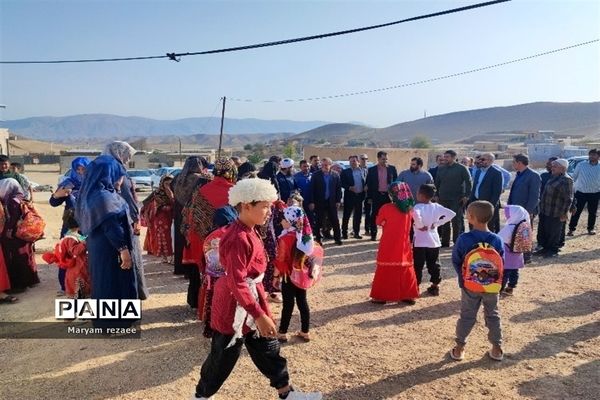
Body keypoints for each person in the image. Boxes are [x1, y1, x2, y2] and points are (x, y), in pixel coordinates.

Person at [192, 178, 322, 400]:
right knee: (222, 356)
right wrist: (258, 314)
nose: (269, 212)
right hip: (235, 306)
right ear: (246, 206)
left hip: (249, 300)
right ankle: (201, 396)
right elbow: (237, 281)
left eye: (270, 206)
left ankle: (286, 392)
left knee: (268, 348)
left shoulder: (251, 231)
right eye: (264, 206)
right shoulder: (237, 238)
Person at [75, 155, 137, 329]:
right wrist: (123, 250)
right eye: (118, 174)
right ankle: (112, 322)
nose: (121, 179)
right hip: (110, 247)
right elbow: (111, 226)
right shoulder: (103, 197)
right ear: (108, 174)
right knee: (111, 282)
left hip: (100, 245)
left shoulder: (97, 193)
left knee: (107, 280)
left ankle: (117, 318)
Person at [450, 201, 504, 362]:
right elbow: (503, 264)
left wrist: (463, 280)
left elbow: (456, 260)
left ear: (471, 218)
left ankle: (459, 348)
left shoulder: (464, 238)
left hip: (470, 285)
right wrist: (500, 285)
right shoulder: (497, 239)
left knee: (467, 315)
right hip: (492, 286)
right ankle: (497, 348)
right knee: (493, 316)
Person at [183, 158, 237, 310]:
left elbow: (191, 218)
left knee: (208, 274)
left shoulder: (200, 192)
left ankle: (205, 306)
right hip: (230, 241)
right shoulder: (236, 191)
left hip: (203, 241)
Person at [103, 141, 148, 300]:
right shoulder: (115, 171)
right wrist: (135, 218)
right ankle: (132, 295)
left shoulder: (111, 169)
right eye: (127, 155)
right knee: (129, 257)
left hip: (123, 220)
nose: (128, 159)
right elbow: (127, 200)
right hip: (122, 222)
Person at [369, 181, 419, 304]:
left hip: (388, 242)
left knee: (385, 266)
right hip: (404, 243)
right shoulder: (409, 210)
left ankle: (382, 296)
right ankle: (408, 295)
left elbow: (379, 222)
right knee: (405, 266)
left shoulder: (386, 208)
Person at [273, 206, 316, 342]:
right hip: (301, 275)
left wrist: (275, 276)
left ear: (291, 221)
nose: (282, 222)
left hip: (288, 275)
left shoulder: (285, 238)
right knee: (302, 302)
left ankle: (282, 332)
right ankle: (305, 331)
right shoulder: (306, 237)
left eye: (284, 219)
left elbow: (280, 260)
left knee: (288, 304)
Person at [49, 156, 90, 294]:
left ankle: (87, 285)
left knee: (86, 253)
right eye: (77, 169)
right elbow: (53, 203)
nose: (80, 171)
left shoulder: (93, 182)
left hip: (89, 222)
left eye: (83, 168)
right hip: (71, 224)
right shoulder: (68, 183)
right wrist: (57, 195)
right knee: (67, 252)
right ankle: (65, 286)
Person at [413, 184, 456, 296]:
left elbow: (416, 216)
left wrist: (420, 225)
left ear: (421, 195)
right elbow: (451, 214)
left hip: (420, 241)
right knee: (434, 264)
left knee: (418, 264)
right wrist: (437, 223)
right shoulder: (436, 206)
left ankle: (415, 285)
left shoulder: (418, 207)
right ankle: (435, 285)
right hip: (433, 241)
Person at [172, 156, 212, 275]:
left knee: (180, 239)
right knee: (192, 240)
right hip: (194, 212)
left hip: (179, 211)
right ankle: (191, 270)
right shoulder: (201, 179)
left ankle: (179, 267)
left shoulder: (177, 178)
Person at [0, 178, 40, 293]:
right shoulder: (20, 196)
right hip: (23, 232)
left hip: (14, 233)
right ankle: (29, 281)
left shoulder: (13, 200)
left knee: (16, 258)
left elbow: (13, 218)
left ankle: (19, 285)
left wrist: (9, 231)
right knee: (26, 256)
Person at [42, 213, 90, 299]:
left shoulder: (72, 234)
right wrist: (85, 243)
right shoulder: (71, 238)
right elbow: (75, 251)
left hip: (78, 266)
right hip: (77, 267)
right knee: (79, 287)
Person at [536, 159, 573, 258]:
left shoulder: (566, 180)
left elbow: (568, 199)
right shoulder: (554, 177)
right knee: (545, 230)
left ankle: (553, 250)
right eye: (552, 166)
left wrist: (564, 213)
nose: (552, 168)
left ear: (563, 168)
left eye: (555, 166)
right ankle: (545, 248)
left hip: (556, 212)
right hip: (545, 210)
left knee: (554, 232)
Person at [507, 154, 541, 263]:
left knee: (525, 233)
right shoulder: (519, 174)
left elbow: (534, 196)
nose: (512, 164)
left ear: (520, 163)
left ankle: (526, 256)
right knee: (516, 233)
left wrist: (528, 211)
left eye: (514, 162)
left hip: (525, 212)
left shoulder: (533, 175)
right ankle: (517, 253)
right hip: (515, 211)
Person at [435, 150, 472, 246]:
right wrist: (436, 195)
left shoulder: (462, 168)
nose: (445, 158)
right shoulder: (441, 168)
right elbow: (437, 183)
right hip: (443, 198)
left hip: (457, 199)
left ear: (453, 157)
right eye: (444, 156)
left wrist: (466, 196)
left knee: (456, 221)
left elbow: (469, 182)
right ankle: (445, 242)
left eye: (447, 157)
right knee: (444, 220)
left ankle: (457, 242)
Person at [497, 205, 530, 296]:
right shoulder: (524, 226)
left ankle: (500, 289)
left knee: (504, 273)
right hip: (518, 254)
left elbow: (499, 238)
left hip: (507, 254)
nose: (506, 216)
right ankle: (511, 287)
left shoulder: (510, 227)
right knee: (515, 271)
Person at [141, 174, 175, 263]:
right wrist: (171, 205)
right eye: (166, 183)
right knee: (163, 236)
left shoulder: (175, 191)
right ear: (162, 183)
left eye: (170, 184)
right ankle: (167, 256)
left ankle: (169, 256)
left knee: (169, 236)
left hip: (170, 217)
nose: (168, 185)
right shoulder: (158, 193)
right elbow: (160, 206)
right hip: (160, 217)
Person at [309, 157, 342, 245]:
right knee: (319, 221)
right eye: (322, 165)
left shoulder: (335, 175)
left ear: (330, 165)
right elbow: (311, 189)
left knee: (335, 221)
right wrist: (312, 202)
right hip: (319, 202)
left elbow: (338, 189)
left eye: (326, 165)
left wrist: (338, 201)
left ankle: (337, 238)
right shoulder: (316, 175)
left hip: (331, 202)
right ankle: (319, 239)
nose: (324, 166)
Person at [366, 151, 398, 241]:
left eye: (386, 159)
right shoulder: (372, 170)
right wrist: (369, 197)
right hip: (376, 195)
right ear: (378, 159)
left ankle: (387, 234)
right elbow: (369, 184)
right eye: (383, 159)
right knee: (375, 215)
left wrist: (395, 197)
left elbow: (396, 183)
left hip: (388, 196)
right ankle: (373, 234)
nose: (385, 161)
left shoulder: (392, 169)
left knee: (388, 216)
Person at [568, 148, 600, 236]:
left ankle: (590, 229)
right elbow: (574, 177)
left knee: (592, 212)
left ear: (598, 156)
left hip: (595, 193)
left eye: (594, 154)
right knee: (576, 211)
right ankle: (571, 229)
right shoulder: (581, 165)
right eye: (590, 154)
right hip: (581, 193)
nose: (591, 156)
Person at [470, 153, 503, 232]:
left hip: (488, 204)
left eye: (483, 159)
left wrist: (491, 206)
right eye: (480, 159)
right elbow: (475, 186)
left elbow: (496, 192)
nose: (480, 161)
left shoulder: (496, 173)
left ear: (490, 161)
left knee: (489, 226)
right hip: (477, 202)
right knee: (476, 225)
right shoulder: (478, 172)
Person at [340, 155, 366, 239]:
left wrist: (366, 186)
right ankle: (344, 233)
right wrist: (349, 187)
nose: (352, 163)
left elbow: (366, 181)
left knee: (358, 216)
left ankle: (356, 233)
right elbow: (341, 183)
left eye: (354, 161)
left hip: (360, 196)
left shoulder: (363, 171)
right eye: (351, 161)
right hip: (349, 196)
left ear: (358, 161)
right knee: (346, 216)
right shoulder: (345, 172)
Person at [293, 160, 314, 229]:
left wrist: (312, 202)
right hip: (300, 202)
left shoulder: (313, 176)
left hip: (310, 202)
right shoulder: (295, 177)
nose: (306, 168)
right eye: (304, 166)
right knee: (300, 219)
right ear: (300, 167)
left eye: (308, 166)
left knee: (311, 218)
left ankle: (311, 233)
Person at [359, 154, 372, 236]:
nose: (364, 160)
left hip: (368, 194)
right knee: (358, 213)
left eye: (366, 159)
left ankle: (367, 229)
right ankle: (355, 230)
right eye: (363, 159)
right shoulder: (356, 169)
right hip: (358, 194)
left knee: (368, 213)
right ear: (359, 160)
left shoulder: (370, 170)